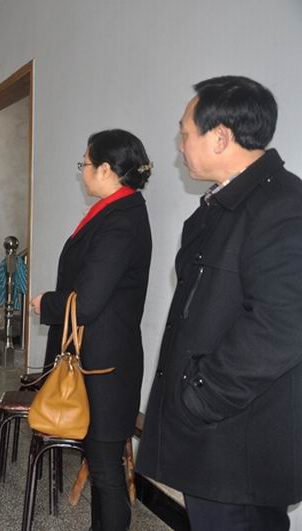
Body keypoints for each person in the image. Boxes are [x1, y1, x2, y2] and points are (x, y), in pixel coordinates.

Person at [137, 76, 302, 531]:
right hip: (216, 440)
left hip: (238, 444)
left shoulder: (281, 205)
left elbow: (282, 324)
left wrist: (201, 394)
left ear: (221, 137)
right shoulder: (226, 202)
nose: (180, 146)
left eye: (185, 133)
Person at [30, 130, 152, 530]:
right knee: (101, 466)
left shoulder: (122, 219)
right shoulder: (113, 210)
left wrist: (46, 303)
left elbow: (88, 300)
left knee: (105, 470)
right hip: (97, 359)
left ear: (105, 169)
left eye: (85, 162)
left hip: (105, 366)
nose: (81, 170)